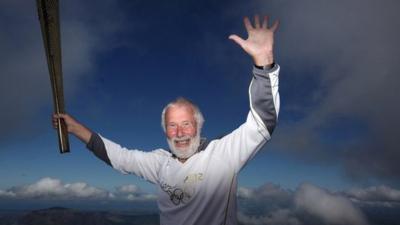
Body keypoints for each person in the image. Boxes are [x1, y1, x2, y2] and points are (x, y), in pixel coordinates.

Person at [53, 15, 280, 225]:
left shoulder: (222, 154)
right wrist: (74, 128)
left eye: (186, 124)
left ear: (198, 127)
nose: (179, 133)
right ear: (164, 132)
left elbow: (262, 123)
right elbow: (119, 157)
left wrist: (264, 63)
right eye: (172, 126)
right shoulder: (160, 163)